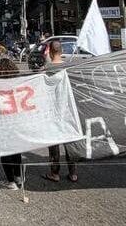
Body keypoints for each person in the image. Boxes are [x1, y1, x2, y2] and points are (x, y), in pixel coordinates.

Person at [42, 41, 78, 183]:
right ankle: (73, 173)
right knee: (69, 142)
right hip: (68, 109)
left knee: (54, 143)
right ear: (62, 51)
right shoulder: (68, 68)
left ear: (50, 51)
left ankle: (55, 173)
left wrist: (47, 59)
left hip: (53, 111)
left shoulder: (47, 68)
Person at [0, 58, 23, 190]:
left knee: (6, 151)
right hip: (17, 121)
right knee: (16, 150)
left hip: (4, 122)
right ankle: (18, 178)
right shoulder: (18, 84)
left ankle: (11, 181)